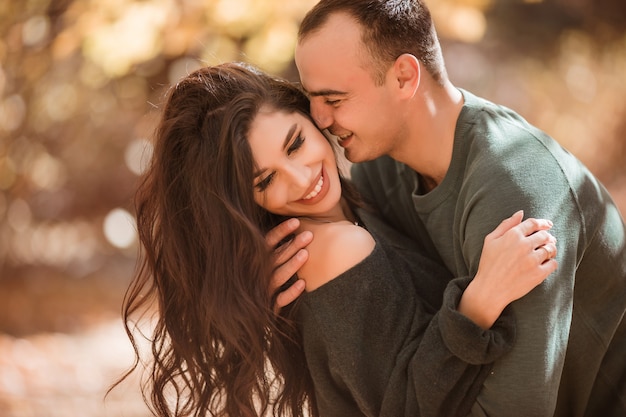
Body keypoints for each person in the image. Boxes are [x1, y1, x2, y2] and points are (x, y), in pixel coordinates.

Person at [116, 62, 559, 417]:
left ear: (311, 117)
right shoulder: (333, 249)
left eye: (295, 145)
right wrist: (479, 302)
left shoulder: (356, 208)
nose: (301, 178)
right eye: (266, 179)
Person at [271, 1, 626, 416]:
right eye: (312, 99)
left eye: (333, 98)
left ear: (404, 76)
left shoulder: (515, 188)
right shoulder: (382, 171)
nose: (319, 119)